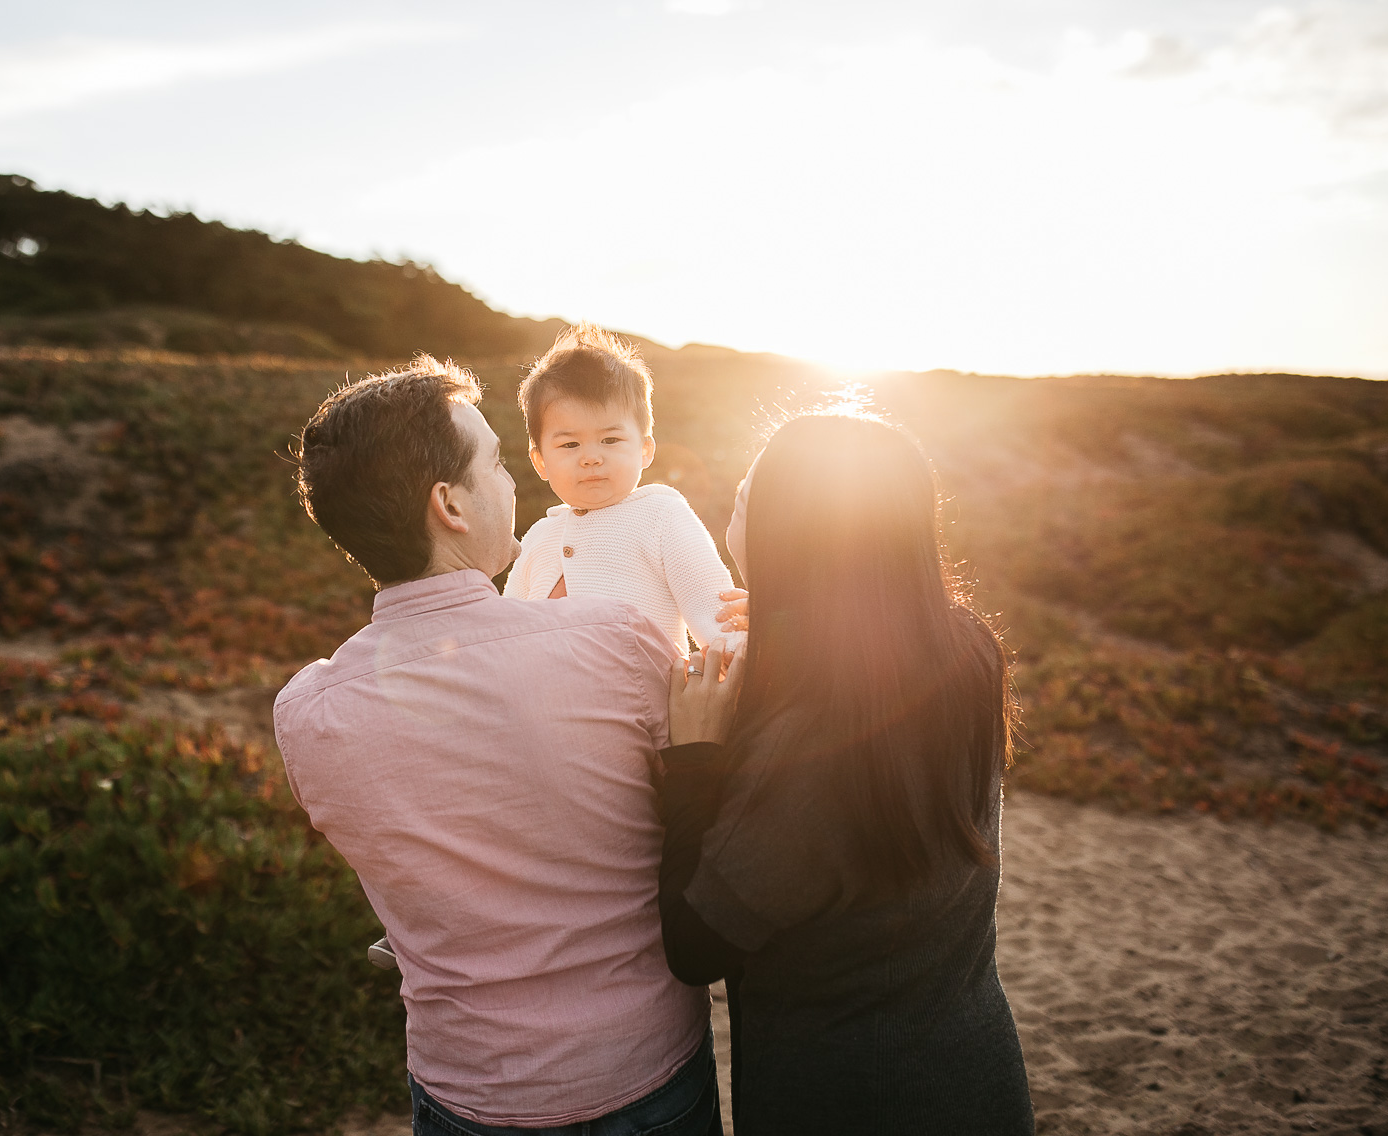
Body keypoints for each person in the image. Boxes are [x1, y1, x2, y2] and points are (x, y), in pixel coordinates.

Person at [272, 355, 723, 1135]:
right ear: (449, 504)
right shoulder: (617, 640)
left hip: (464, 1089)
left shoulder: (307, 710)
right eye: (497, 463)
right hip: (642, 1073)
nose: (517, 484)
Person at [659, 411, 1036, 1135]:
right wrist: (782, 613)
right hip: (977, 1076)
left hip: (848, 1097)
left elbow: (693, 944)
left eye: (747, 496)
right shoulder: (967, 653)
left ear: (787, 537)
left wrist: (695, 758)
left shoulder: (807, 749)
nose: (735, 504)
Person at [505, 325, 740, 656]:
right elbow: (505, 631)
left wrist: (735, 657)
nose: (591, 457)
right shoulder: (538, 537)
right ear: (540, 461)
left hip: (646, 703)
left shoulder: (662, 516)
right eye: (570, 444)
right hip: (546, 704)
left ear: (645, 450)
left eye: (610, 440)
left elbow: (716, 614)